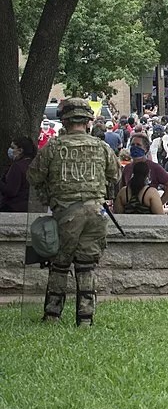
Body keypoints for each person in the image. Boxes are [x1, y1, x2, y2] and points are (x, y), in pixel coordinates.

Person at [27, 98, 120, 326]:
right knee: (86, 265)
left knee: (60, 264)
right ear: (88, 121)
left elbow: (33, 176)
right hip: (97, 212)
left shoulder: (54, 148)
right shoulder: (102, 147)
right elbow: (115, 176)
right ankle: (86, 319)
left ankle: (52, 316)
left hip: (66, 213)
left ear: (64, 121)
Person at [1, 136, 37, 212]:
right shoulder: (33, 164)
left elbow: (11, 191)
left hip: (13, 207)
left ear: (20, 150)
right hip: (27, 207)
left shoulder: (17, 166)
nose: (10, 150)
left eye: (12, 147)